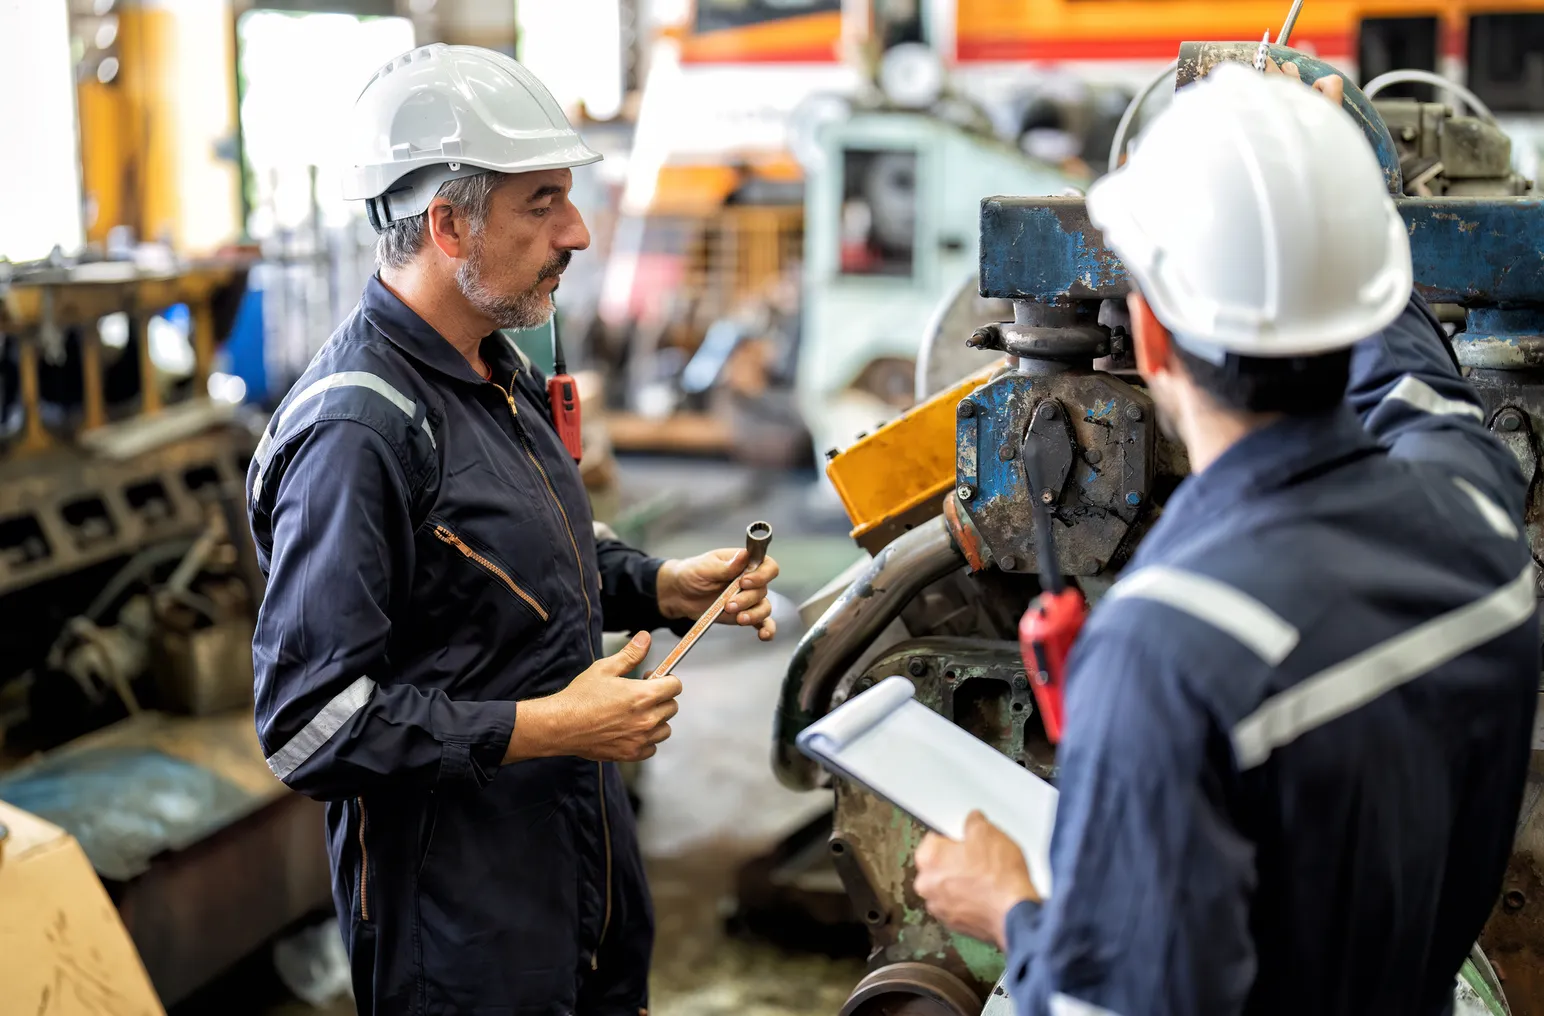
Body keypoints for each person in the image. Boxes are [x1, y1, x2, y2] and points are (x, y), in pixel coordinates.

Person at [910, 62, 1538, 1014]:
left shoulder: (1170, 650)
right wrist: (1319, 204)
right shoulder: (1483, 517)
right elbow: (1420, 392)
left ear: (1150, 339)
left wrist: (1014, 913)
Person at [246, 44, 781, 1015]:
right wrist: (546, 725)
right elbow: (306, 724)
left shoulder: (493, 370)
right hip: (459, 930)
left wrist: (659, 583)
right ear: (449, 224)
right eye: (541, 202)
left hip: (574, 870)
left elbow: (512, 559)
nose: (576, 230)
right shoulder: (355, 430)